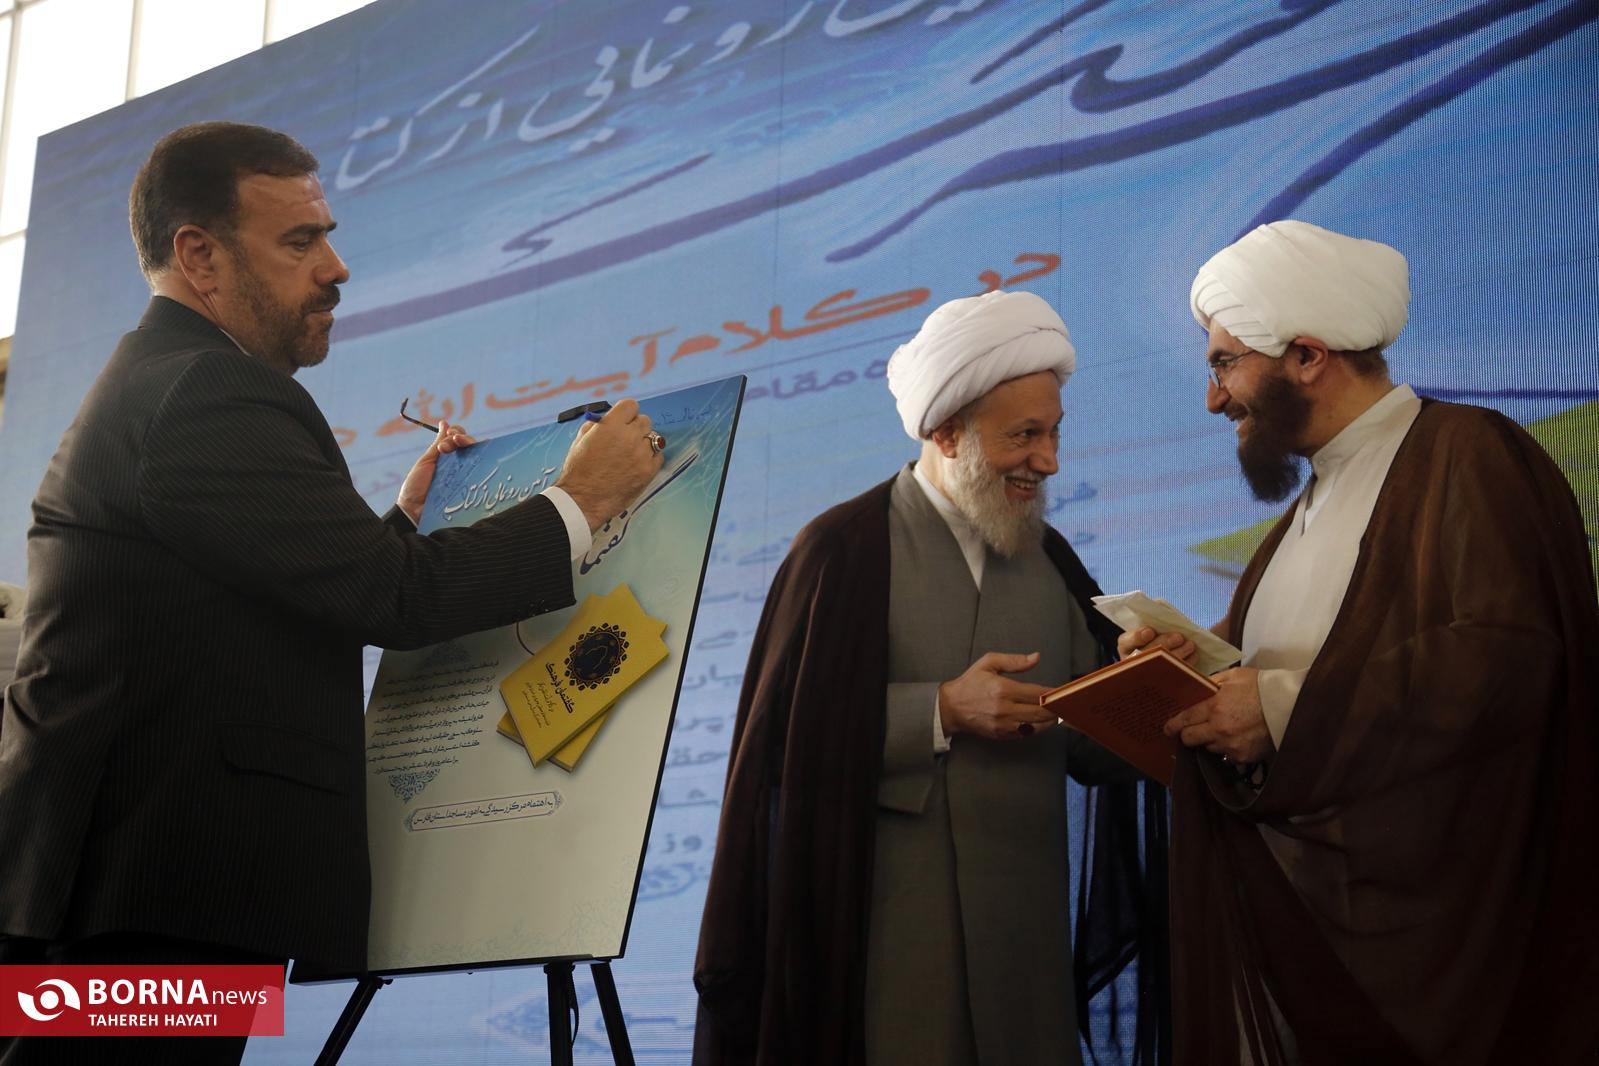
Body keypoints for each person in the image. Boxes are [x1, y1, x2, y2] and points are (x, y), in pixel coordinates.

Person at [0, 122, 662, 1064]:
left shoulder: (167, 381)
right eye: (299, 241)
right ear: (200, 256)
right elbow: (397, 598)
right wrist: (584, 499)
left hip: (142, 888)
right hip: (151, 896)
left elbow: (264, 597)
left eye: (328, 236)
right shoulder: (205, 390)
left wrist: (399, 524)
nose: (336, 268)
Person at [1126, 219, 1599, 1065]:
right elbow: (1286, 674)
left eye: (1224, 364)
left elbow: (1506, 656)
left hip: (1440, 964)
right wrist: (1192, 663)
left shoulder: (1466, 452)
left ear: (1308, 356)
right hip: (1303, 939)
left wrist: (1279, 708)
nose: (1213, 399)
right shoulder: (1301, 513)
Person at [693, 290, 1170, 1066]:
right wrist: (940, 711)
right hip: (889, 941)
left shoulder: (1050, 560)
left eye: (1053, 433)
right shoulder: (841, 550)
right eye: (1024, 436)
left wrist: (1149, 685)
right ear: (946, 432)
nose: (1048, 461)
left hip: (1026, 942)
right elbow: (777, 746)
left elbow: (1092, 743)